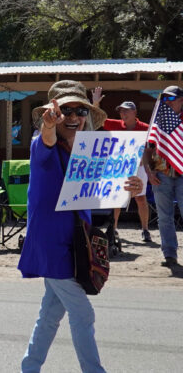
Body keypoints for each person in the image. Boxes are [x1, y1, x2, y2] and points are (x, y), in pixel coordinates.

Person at [19, 80, 143, 373]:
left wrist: (132, 187)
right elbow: (47, 135)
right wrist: (49, 124)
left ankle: (29, 368)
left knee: (49, 315)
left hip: (76, 244)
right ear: (53, 113)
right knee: (83, 314)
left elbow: (111, 186)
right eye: (65, 111)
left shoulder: (88, 154)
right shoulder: (43, 146)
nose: (73, 117)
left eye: (80, 111)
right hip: (52, 246)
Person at [92, 88, 152, 242]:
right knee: (117, 198)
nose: (123, 114)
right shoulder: (116, 124)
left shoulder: (146, 128)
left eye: (126, 111)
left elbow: (152, 149)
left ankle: (145, 230)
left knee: (140, 198)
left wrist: (148, 167)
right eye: (121, 111)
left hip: (138, 167)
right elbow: (98, 119)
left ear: (134, 112)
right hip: (120, 168)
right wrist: (96, 103)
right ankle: (115, 228)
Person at [143, 85, 183, 268]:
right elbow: (148, 148)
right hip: (161, 173)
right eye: (165, 99)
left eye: (171, 98)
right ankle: (169, 254)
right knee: (164, 216)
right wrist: (149, 172)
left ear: (181, 100)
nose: (166, 102)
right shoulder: (158, 120)